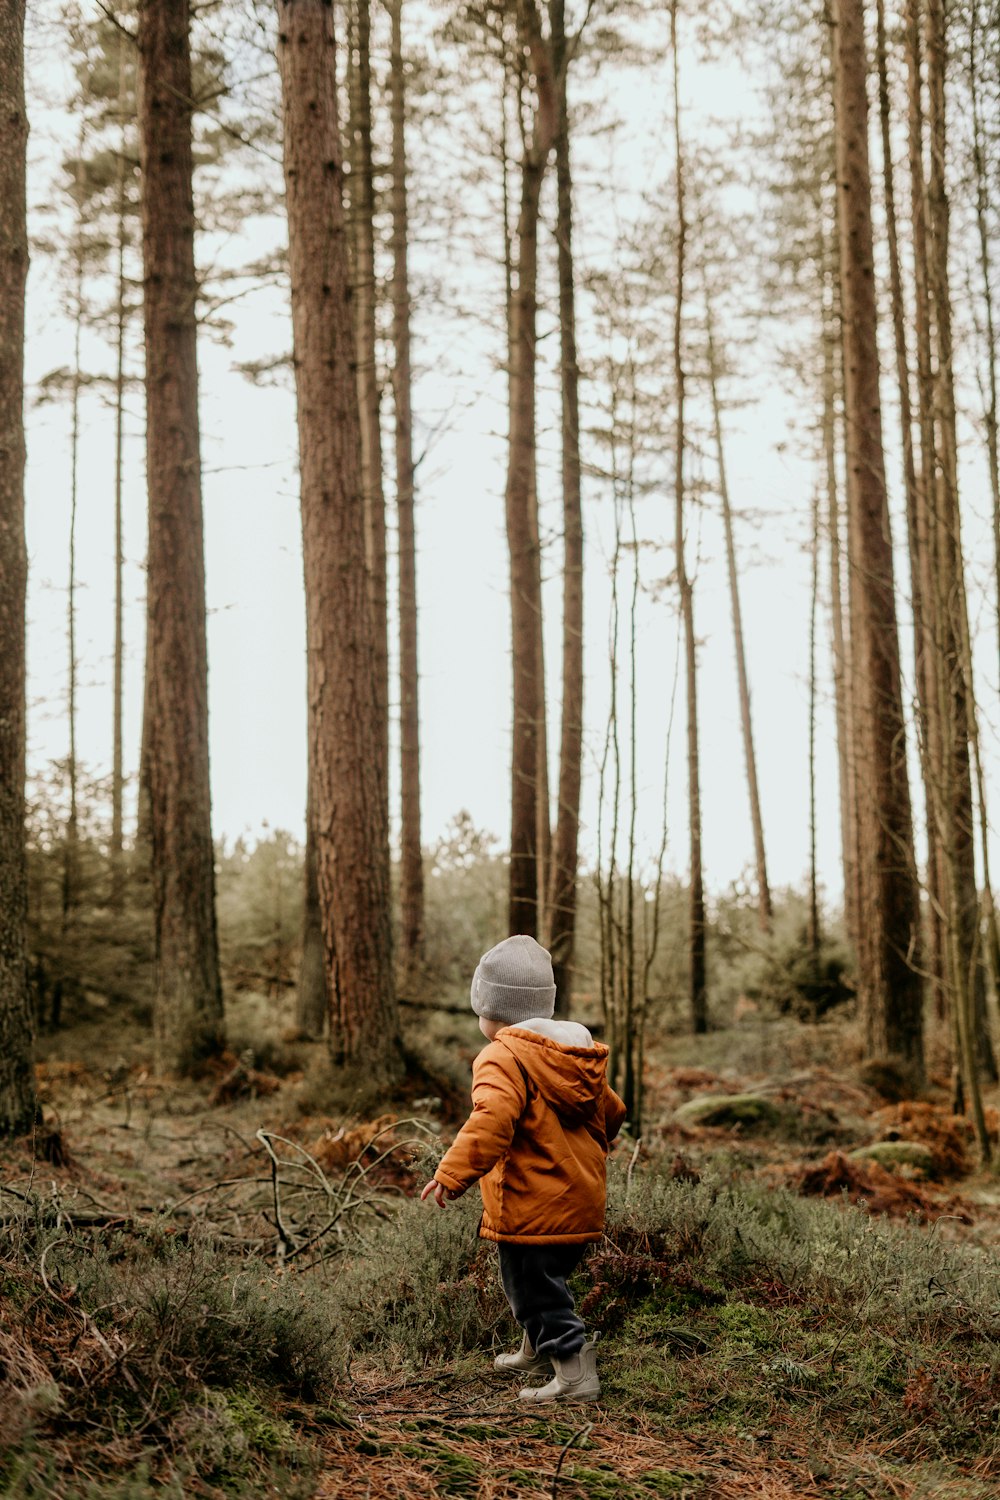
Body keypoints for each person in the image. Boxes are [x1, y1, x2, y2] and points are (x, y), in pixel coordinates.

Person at [421, 934, 627, 1403]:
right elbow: (612, 1113)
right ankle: (535, 1349)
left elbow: (490, 1121)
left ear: (490, 1008)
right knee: (545, 1281)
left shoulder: (502, 1055)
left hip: (533, 1202)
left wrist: (452, 1173)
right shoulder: (577, 1052)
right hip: (580, 1198)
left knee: (533, 1290)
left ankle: (575, 1374)